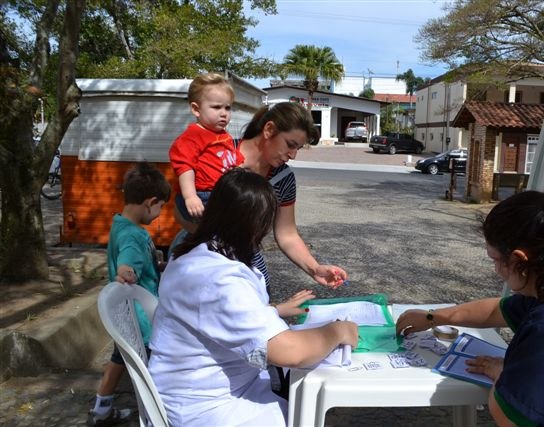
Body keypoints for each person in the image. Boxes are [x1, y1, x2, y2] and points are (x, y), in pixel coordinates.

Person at [395, 190, 544, 426]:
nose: (495, 270)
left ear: (519, 260)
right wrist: (432, 317)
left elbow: (508, 417)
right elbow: (494, 311)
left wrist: (502, 372)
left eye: (494, 260)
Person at [148, 168, 358, 426]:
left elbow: (215, 318)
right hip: (207, 406)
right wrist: (337, 331)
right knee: (304, 408)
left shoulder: (196, 254)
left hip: (200, 388)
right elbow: (290, 352)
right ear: (256, 226)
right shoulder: (219, 278)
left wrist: (274, 311)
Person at [87, 162, 171, 427]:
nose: (159, 213)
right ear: (151, 202)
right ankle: (158, 409)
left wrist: (157, 267)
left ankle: (101, 410)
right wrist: (125, 271)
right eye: (160, 207)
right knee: (151, 365)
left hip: (126, 318)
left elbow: (136, 260)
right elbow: (127, 261)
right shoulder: (133, 237)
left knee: (117, 360)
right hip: (141, 322)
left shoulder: (120, 225)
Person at [237, 101, 347, 291]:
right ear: (269, 129)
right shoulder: (218, 156)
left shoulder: (283, 177)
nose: (293, 155)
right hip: (203, 261)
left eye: (298, 148)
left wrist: (315, 269)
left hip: (249, 264)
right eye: (290, 145)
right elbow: (183, 213)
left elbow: (287, 234)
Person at [168, 72, 238, 234]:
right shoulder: (193, 136)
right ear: (196, 109)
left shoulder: (224, 136)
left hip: (220, 193)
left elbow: (235, 163)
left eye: (228, 107)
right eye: (216, 107)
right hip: (201, 195)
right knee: (219, 233)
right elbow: (184, 168)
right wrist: (190, 196)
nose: (224, 113)